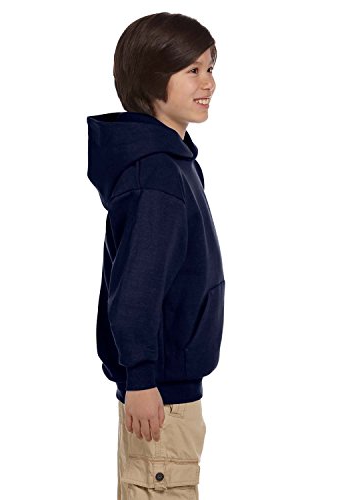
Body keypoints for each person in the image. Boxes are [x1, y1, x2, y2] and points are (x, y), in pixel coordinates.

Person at [87, 12, 225, 499]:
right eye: (192, 70)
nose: (208, 83)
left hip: (167, 387)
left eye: (210, 68)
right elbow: (136, 288)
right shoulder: (158, 176)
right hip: (161, 395)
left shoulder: (173, 163)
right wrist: (142, 379)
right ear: (152, 79)